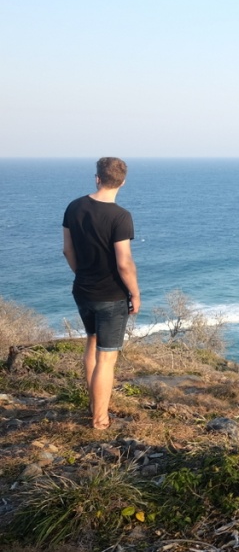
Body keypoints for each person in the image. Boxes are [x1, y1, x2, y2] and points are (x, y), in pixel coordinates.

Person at [62, 157, 141, 430]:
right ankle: (100, 420)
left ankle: (94, 405)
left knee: (92, 342)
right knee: (106, 358)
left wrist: (79, 274)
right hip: (111, 295)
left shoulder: (74, 207)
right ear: (123, 182)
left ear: (97, 178)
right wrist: (136, 294)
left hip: (82, 290)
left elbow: (67, 250)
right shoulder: (120, 217)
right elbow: (124, 263)